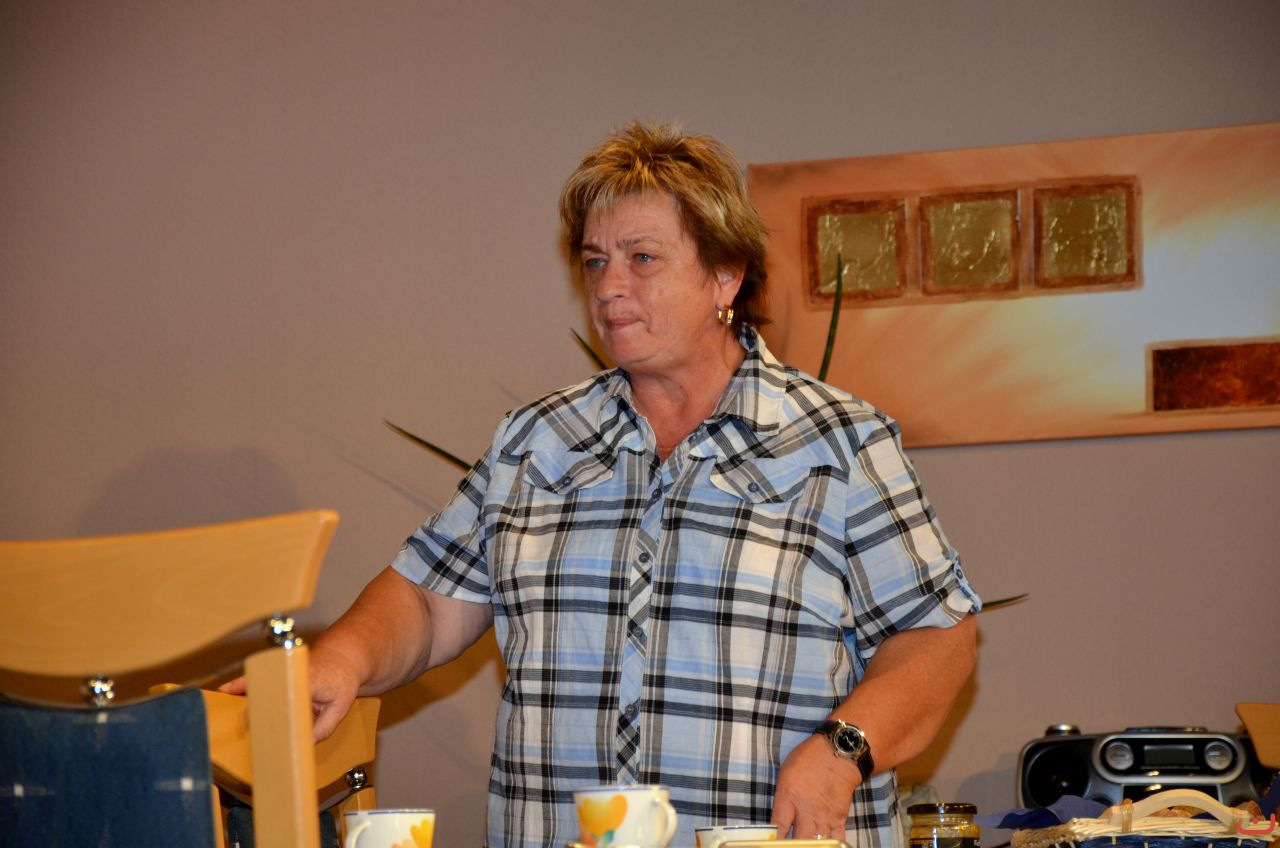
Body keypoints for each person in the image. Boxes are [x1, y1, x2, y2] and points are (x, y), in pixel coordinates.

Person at [235, 122, 980, 848]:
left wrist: (843, 750)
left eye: (642, 258)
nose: (609, 286)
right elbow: (429, 602)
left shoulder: (839, 443)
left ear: (725, 275)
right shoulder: (535, 442)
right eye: (595, 262)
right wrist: (340, 661)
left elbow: (938, 640)